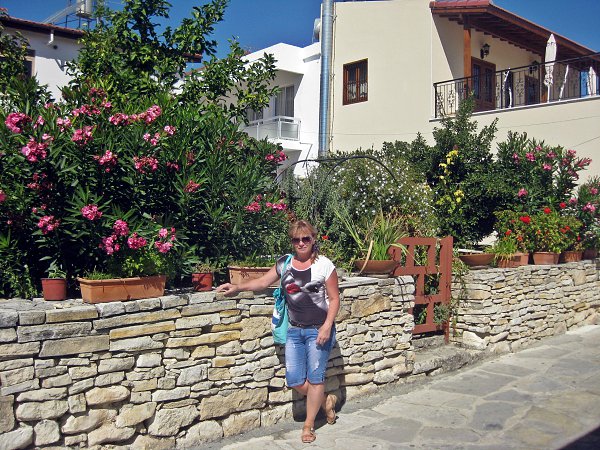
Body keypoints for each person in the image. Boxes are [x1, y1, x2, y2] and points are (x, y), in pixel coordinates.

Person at [217, 220, 340, 444]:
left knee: (315, 378)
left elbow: (334, 298)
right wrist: (237, 287)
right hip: (295, 330)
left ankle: (308, 425)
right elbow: (263, 282)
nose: (301, 243)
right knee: (294, 380)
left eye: (306, 238)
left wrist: (327, 325)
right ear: (292, 241)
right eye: (296, 239)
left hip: (318, 330)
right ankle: (326, 401)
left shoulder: (324, 265)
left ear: (313, 239)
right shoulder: (285, 263)